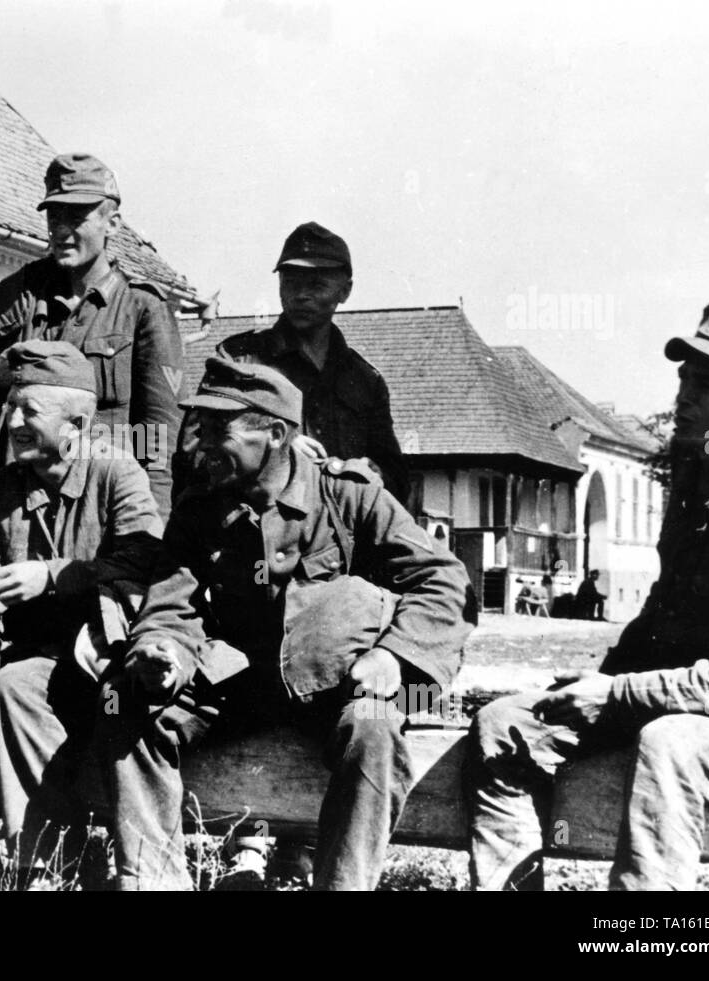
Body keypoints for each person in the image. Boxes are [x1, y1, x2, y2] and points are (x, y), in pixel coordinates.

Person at [97, 359, 473, 890]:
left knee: (374, 725)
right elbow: (171, 602)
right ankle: (154, 880)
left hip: (334, 679)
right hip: (241, 682)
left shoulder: (350, 495)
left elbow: (443, 581)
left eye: (217, 429)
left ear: (275, 433)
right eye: (198, 426)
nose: (200, 444)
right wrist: (163, 651)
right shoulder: (200, 507)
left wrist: (393, 657)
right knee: (127, 692)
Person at [467, 300, 709, 890]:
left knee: (669, 741)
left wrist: (619, 694)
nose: (683, 399)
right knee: (505, 724)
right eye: (682, 380)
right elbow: (667, 609)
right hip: (679, 693)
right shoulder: (695, 465)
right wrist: (598, 685)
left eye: (705, 386)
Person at [0, 340, 162, 884]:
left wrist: (54, 575)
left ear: (76, 424)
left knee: (17, 685)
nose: (13, 422)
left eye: (29, 412)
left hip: (90, 654)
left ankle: (48, 860)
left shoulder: (117, 474)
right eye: (11, 409)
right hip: (9, 642)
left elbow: (144, 559)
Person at [0, 153, 183, 522]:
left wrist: (151, 517)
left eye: (76, 218)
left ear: (112, 224)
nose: (61, 231)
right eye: (54, 217)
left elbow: (156, 433)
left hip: (101, 499)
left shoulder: (141, 308)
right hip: (19, 497)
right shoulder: (15, 298)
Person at [178, 222, 408, 502]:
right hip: (256, 529)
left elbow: (398, 478)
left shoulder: (365, 380)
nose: (301, 295)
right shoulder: (237, 360)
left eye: (317, 285)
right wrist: (274, 450)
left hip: (339, 535)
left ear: (345, 291)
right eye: (291, 283)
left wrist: (372, 472)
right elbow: (192, 452)